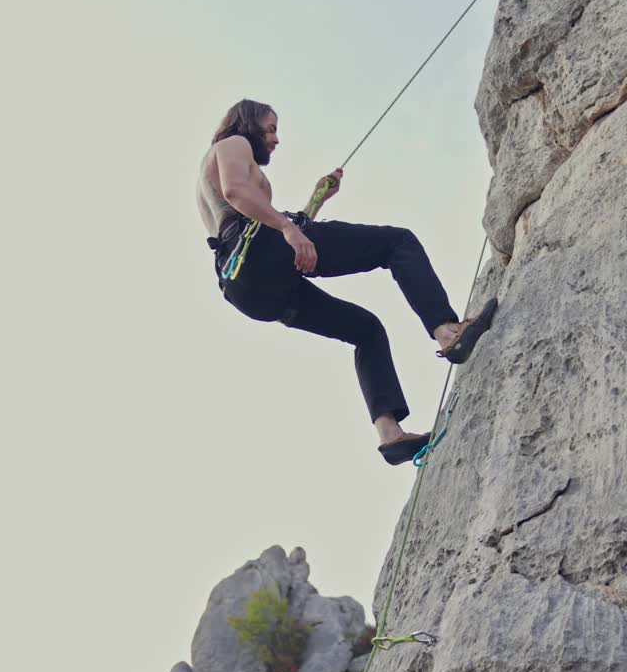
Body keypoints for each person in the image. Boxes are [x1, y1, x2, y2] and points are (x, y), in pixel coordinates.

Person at [197, 99, 497, 465]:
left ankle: (390, 435)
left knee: (365, 329)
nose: (276, 139)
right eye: (271, 128)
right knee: (397, 242)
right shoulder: (232, 144)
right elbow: (236, 193)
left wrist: (315, 202)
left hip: (249, 290)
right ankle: (448, 331)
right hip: (258, 252)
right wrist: (290, 227)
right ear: (248, 122)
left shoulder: (224, 165)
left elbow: (272, 234)